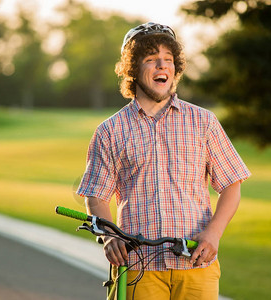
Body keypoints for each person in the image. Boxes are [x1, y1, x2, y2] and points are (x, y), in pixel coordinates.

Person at [77, 22, 251, 300]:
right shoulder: (110, 131)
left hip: (196, 263)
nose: (162, 66)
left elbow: (232, 185)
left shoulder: (203, 122)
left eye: (168, 60)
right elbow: (96, 196)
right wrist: (109, 236)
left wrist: (213, 234)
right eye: (151, 60)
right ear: (133, 69)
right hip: (137, 267)